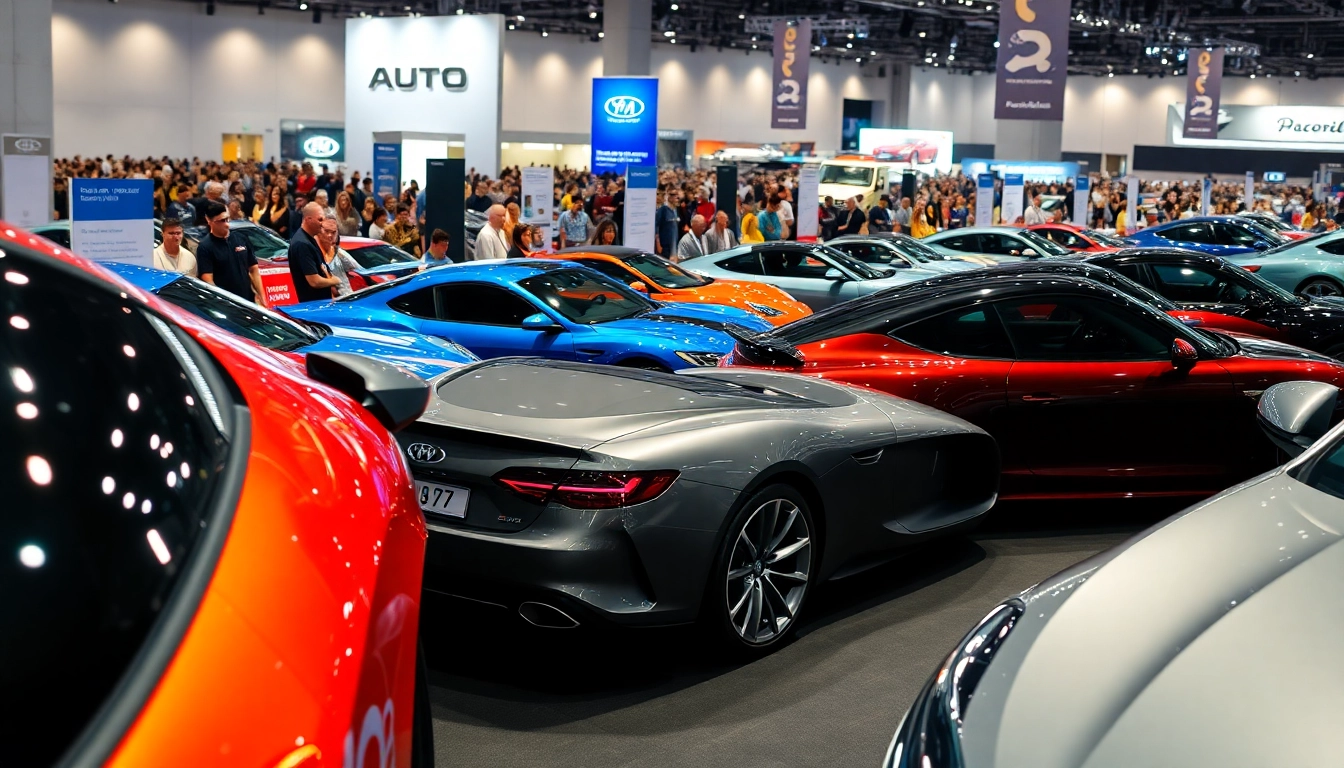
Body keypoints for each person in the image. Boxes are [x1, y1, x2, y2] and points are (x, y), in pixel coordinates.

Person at [196, 201, 266, 306]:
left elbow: (253, 269)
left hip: (248, 301)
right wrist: (222, 303)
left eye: (227, 219)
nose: (227, 224)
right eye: (222, 221)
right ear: (209, 221)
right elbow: (208, 281)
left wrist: (263, 297)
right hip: (226, 306)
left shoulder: (240, 238)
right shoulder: (205, 247)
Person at [287, 202, 341, 302]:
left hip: (321, 303)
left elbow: (322, 269)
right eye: (320, 219)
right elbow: (314, 281)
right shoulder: (302, 244)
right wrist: (334, 281)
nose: (322, 224)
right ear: (308, 219)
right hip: (313, 305)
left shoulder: (310, 239)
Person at [318, 215, 362, 297]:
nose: (330, 235)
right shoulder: (315, 254)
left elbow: (359, 270)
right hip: (332, 302)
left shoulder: (339, 252)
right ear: (319, 231)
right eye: (327, 231)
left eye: (333, 232)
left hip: (349, 297)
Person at [656, 190, 679, 257]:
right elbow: (657, 226)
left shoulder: (675, 210)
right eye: (673, 195)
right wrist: (658, 243)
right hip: (665, 244)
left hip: (674, 243)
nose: (676, 198)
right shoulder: (663, 210)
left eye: (676, 195)